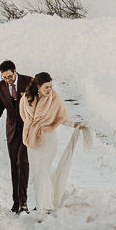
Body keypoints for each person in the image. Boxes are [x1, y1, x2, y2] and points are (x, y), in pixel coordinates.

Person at [19, 72, 84, 212]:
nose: (49, 89)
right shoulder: (26, 98)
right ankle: (41, 203)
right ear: (38, 86)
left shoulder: (54, 99)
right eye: (46, 87)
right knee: (37, 173)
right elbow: (24, 116)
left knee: (42, 171)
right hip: (32, 140)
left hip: (48, 139)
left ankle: (46, 206)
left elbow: (61, 117)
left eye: (51, 86)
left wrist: (74, 124)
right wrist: (33, 129)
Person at [0, 60, 31, 213]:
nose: (7, 80)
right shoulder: (0, 87)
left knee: (23, 162)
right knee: (14, 164)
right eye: (4, 77)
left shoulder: (29, 82)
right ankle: (16, 203)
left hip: (27, 129)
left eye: (9, 76)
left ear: (15, 71)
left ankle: (23, 202)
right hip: (12, 130)